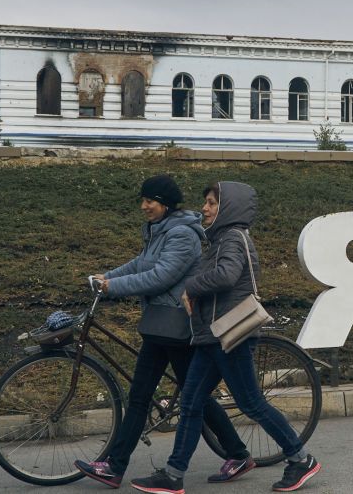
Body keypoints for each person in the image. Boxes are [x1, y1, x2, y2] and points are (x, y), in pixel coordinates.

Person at [131, 181, 321, 494]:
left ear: (227, 207)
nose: (204, 209)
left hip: (229, 334)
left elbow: (227, 275)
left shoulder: (232, 237)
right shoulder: (219, 239)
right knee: (191, 404)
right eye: (205, 203)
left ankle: (301, 459)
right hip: (211, 336)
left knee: (252, 403)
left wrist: (191, 287)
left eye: (210, 203)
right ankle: (173, 474)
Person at [75, 175, 255, 488]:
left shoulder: (183, 235)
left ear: (166, 204)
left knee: (192, 397)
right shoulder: (158, 231)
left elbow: (160, 276)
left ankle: (237, 453)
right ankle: (114, 467)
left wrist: (112, 287)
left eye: (151, 200)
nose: (144, 205)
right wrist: (108, 276)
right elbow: (140, 264)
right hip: (160, 325)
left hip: (177, 325)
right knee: (145, 396)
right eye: (143, 199)